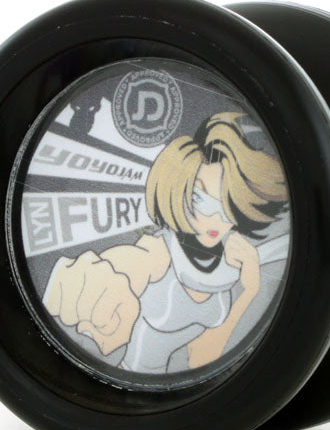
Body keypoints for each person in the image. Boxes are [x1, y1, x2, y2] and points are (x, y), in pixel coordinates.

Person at [43, 112, 289, 373]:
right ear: (178, 190)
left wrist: (249, 290)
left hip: (186, 392)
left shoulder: (229, 272)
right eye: (201, 199)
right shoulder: (158, 253)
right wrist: (81, 286)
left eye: (229, 208)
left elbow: (201, 360)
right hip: (124, 385)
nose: (215, 220)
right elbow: (122, 266)